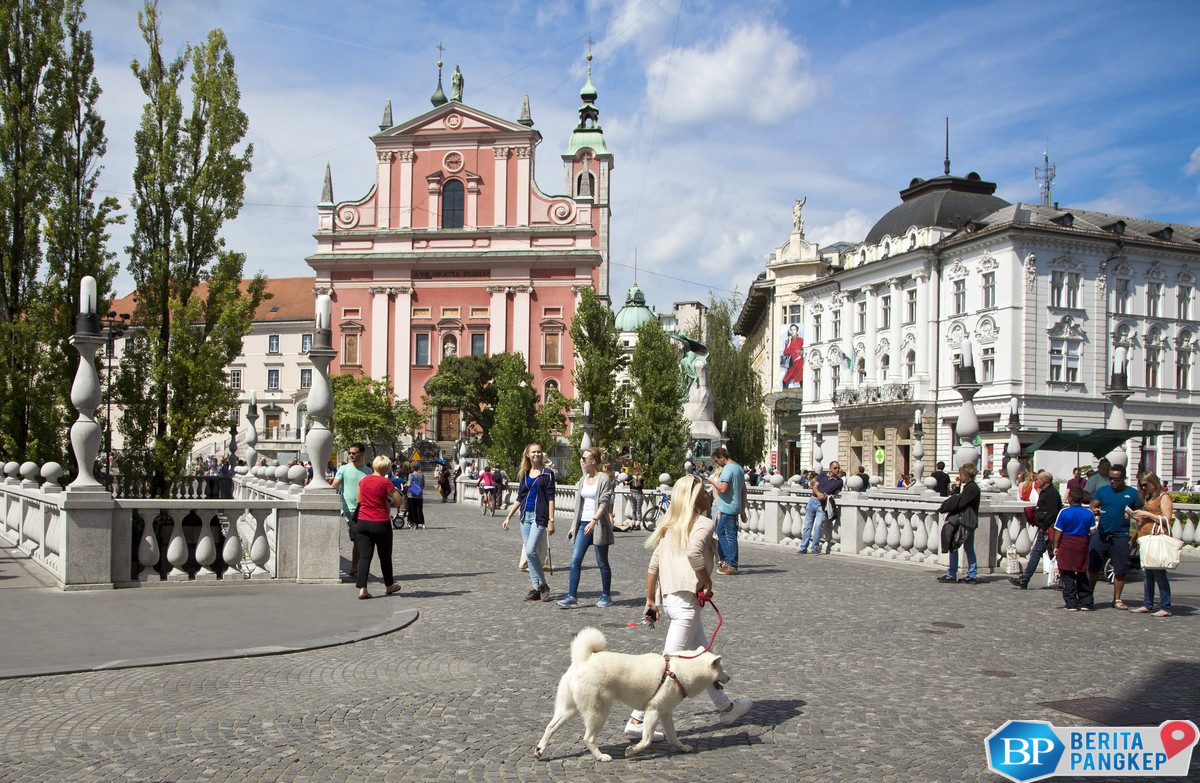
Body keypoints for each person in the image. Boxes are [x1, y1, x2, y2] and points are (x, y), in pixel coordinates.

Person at [624, 474, 753, 740]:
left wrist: (650, 600)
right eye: (704, 492)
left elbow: (653, 566)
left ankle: (726, 707)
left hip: (671, 600)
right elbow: (694, 553)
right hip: (686, 605)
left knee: (704, 658)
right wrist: (706, 581)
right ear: (695, 498)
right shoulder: (704, 523)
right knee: (666, 667)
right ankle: (637, 719)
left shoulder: (671, 524)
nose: (708, 495)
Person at [559, 446, 615, 608]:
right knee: (575, 560)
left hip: (598, 525)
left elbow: (604, 503)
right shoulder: (583, 479)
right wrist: (573, 526)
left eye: (584, 458)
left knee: (602, 562)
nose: (582, 461)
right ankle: (572, 597)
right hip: (583, 524)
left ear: (593, 461)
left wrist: (594, 521)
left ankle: (606, 596)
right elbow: (578, 505)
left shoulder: (603, 479)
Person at [502, 443, 556, 602]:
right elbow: (520, 496)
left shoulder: (548, 474)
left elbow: (551, 498)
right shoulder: (525, 474)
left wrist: (551, 520)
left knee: (531, 550)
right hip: (525, 516)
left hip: (540, 516)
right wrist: (509, 516)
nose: (537, 454)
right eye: (534, 452)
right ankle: (536, 588)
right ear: (528, 454)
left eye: (539, 451)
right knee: (529, 553)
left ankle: (543, 585)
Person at [1088, 462, 1141, 609]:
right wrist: (1094, 510)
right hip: (1102, 533)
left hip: (1121, 535)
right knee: (1093, 566)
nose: (1112, 481)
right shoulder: (1103, 491)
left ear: (1123, 478)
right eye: (1110, 478)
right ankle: (1088, 596)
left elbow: (1140, 514)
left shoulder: (1132, 493)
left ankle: (1117, 599)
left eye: (1116, 479)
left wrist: (1133, 520)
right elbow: (1093, 506)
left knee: (1120, 568)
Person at [353, 455, 405, 600]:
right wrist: (389, 503)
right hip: (380, 523)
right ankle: (389, 585)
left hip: (363, 522)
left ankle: (362, 588)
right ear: (387, 468)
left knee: (364, 557)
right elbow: (399, 500)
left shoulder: (364, 480)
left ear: (374, 466)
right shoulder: (385, 482)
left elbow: (358, 499)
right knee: (385, 556)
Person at [1130, 472, 1173, 616]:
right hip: (1145, 538)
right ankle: (1148, 603)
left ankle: (1165, 606)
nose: (1143, 488)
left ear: (1152, 483)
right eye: (1141, 485)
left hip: (1156, 538)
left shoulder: (1164, 497)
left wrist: (1147, 514)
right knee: (1146, 573)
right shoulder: (1148, 498)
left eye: (1145, 485)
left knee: (1159, 573)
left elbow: (1167, 519)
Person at [1012, 471, 1062, 589]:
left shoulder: (1051, 493)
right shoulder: (1048, 492)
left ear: (1044, 481)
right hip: (1046, 528)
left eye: (1038, 479)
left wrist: (1043, 527)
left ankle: (1026, 579)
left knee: (1045, 553)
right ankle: (1025, 579)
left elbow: (1052, 513)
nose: (1036, 481)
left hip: (1049, 529)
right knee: (1041, 553)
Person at [1052, 487, 1098, 610]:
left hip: (1067, 544)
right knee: (1082, 572)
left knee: (1068, 573)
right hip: (1082, 545)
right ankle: (1086, 601)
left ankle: (1071, 603)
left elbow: (1058, 531)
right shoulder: (1088, 513)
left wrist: (1056, 546)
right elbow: (1093, 531)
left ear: (1070, 499)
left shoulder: (1064, 512)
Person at [937, 463, 981, 584]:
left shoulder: (971, 488)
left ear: (966, 475)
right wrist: (958, 488)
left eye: (961, 475)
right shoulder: (971, 487)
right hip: (968, 521)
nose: (959, 477)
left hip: (965, 521)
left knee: (954, 545)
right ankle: (969, 574)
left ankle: (955, 573)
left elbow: (961, 503)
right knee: (967, 547)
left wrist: (955, 498)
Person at [332, 444, 371, 578]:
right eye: (350, 453)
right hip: (348, 509)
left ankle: (355, 567)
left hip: (364, 508)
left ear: (362, 454)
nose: (351, 455)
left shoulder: (368, 471)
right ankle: (357, 568)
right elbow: (335, 484)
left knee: (358, 540)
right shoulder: (343, 469)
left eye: (354, 453)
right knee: (360, 537)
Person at [707, 447, 746, 575]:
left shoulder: (728, 469)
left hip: (727, 507)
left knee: (728, 535)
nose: (717, 463)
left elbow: (723, 489)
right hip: (734, 506)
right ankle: (727, 561)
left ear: (722, 458)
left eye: (717, 461)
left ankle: (731, 564)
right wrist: (742, 509)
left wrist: (712, 481)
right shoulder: (738, 468)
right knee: (723, 532)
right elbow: (743, 490)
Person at [800, 461, 843, 555]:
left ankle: (815, 548)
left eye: (838, 468)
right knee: (807, 526)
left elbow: (836, 494)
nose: (837, 470)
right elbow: (815, 486)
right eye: (835, 468)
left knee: (818, 526)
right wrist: (818, 494)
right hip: (813, 501)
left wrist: (828, 496)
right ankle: (803, 547)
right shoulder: (823, 475)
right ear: (830, 468)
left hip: (823, 504)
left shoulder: (839, 481)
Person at [780, 323, 804, 389]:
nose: (793, 331)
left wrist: (800, 356)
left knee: (801, 379)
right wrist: (789, 342)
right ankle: (785, 393)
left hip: (798, 363)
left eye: (794, 329)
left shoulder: (801, 340)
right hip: (791, 363)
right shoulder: (787, 341)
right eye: (791, 330)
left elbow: (804, 350)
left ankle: (804, 393)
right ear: (790, 331)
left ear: (797, 330)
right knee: (785, 380)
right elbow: (785, 352)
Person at [405, 460, 426, 529]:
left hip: (412, 495)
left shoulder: (411, 475)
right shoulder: (422, 475)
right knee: (419, 509)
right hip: (420, 494)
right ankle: (422, 522)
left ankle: (414, 523)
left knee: (413, 510)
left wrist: (406, 484)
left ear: (412, 468)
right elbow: (423, 485)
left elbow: (409, 484)